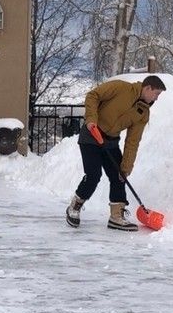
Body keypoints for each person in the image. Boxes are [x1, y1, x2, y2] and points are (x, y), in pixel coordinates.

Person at [66, 75, 166, 231]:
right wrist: (91, 119)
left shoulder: (143, 112)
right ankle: (75, 206)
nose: (157, 98)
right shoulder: (120, 88)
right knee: (93, 175)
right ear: (148, 88)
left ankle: (116, 216)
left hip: (111, 142)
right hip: (91, 135)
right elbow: (93, 95)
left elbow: (133, 141)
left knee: (119, 176)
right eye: (157, 94)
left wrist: (126, 166)